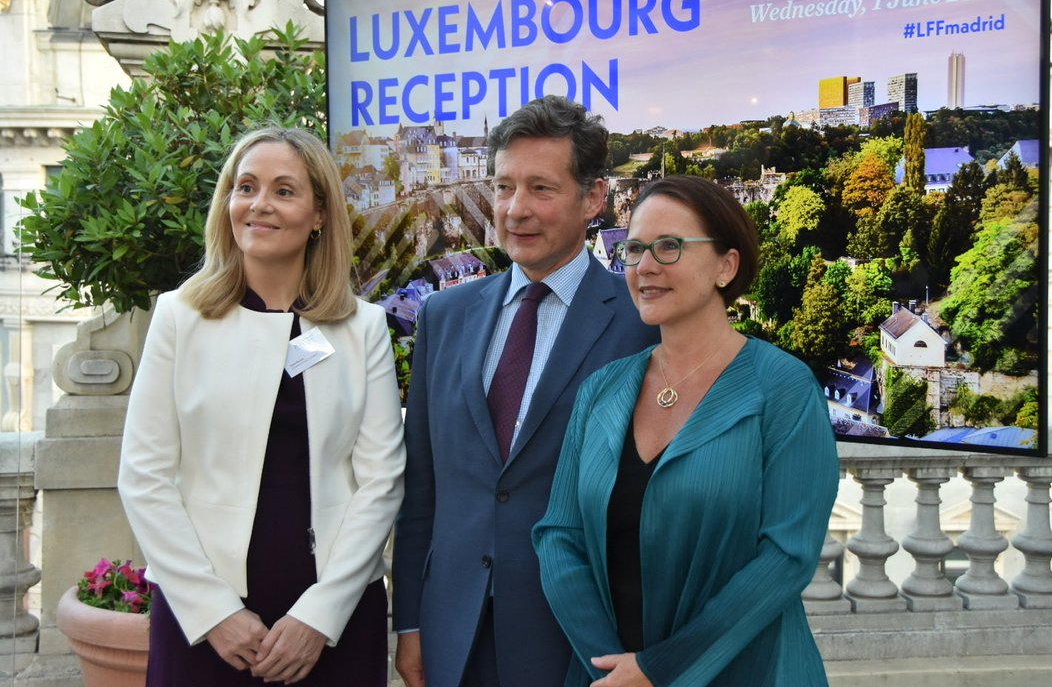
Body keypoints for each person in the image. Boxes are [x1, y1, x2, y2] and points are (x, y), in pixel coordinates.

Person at [118, 126, 405, 686]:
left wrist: (319, 616)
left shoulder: (362, 328)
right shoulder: (179, 318)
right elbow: (143, 477)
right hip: (206, 620)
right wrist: (213, 612)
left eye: (283, 190)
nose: (259, 204)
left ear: (320, 213)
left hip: (334, 616)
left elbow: (381, 480)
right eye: (245, 187)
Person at [392, 96, 659, 687]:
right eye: (505, 186)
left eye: (541, 188)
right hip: (451, 632)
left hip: (579, 638)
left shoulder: (642, 325)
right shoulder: (444, 314)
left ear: (594, 198)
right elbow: (423, 487)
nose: (514, 210)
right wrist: (408, 621)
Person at [533, 175, 839, 686]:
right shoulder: (602, 390)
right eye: (634, 249)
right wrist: (610, 667)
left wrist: (659, 670)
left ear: (727, 265)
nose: (645, 267)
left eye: (669, 246)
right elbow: (558, 537)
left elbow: (787, 557)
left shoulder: (784, 389)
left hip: (749, 672)